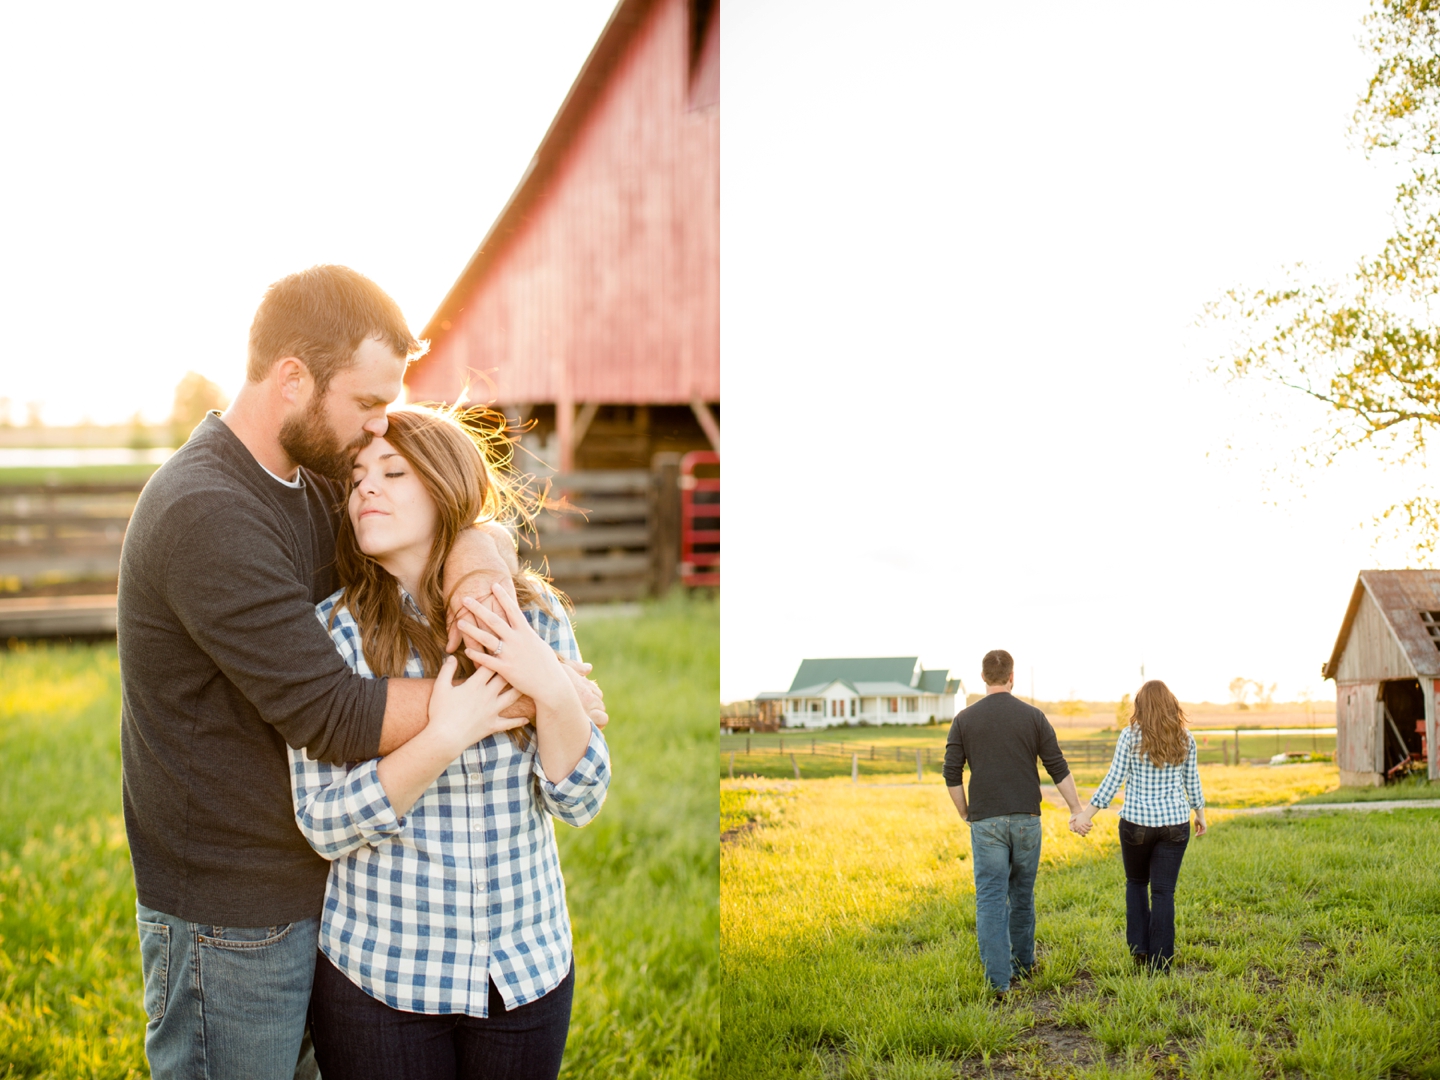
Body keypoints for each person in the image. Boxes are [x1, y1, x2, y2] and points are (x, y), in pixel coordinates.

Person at [118, 265, 607, 1080]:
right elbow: (337, 714)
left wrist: (481, 570)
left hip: (331, 898)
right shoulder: (206, 510)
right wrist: (529, 688)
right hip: (231, 911)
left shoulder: (311, 479)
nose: (381, 427)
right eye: (370, 403)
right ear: (293, 379)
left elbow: (442, 512)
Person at [291, 406, 609, 1079]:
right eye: (356, 480)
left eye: (393, 472)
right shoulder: (332, 634)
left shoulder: (533, 616)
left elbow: (583, 799)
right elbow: (322, 822)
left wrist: (551, 689)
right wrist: (446, 735)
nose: (366, 489)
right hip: (383, 978)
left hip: (524, 971)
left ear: (445, 490)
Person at [943, 650, 1086, 994]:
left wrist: (965, 812)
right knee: (1021, 893)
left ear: (983, 678)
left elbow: (951, 772)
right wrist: (1076, 810)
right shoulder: (1033, 716)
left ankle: (999, 982)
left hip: (986, 819)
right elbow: (1058, 767)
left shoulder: (964, 719)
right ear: (1011, 677)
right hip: (1026, 819)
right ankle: (1024, 964)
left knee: (991, 896)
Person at [1071, 680, 1206, 972]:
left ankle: (1140, 950)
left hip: (1136, 825)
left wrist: (1086, 815)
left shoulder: (1130, 736)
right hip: (1174, 826)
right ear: (1171, 704)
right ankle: (1162, 961)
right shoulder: (1186, 738)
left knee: (1136, 884)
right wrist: (1200, 814)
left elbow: (1113, 780)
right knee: (1163, 893)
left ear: (1140, 706)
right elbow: (1191, 781)